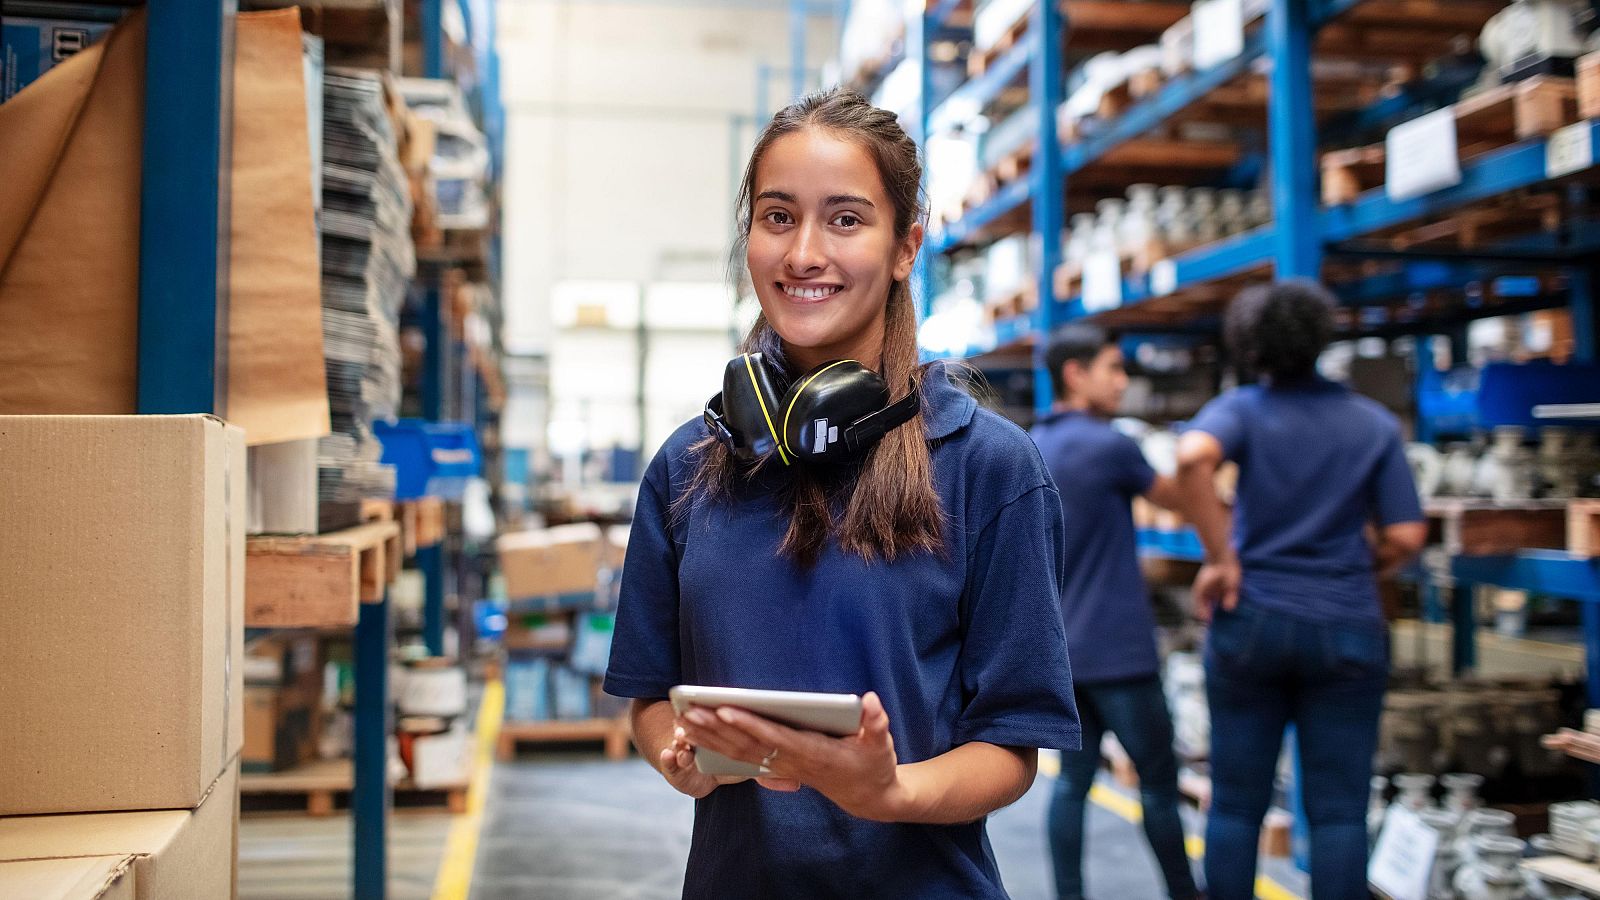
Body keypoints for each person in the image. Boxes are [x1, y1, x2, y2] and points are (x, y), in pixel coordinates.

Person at [602, 87, 1081, 898]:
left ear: (906, 247)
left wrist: (889, 793)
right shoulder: (687, 468)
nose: (803, 254)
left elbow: (1010, 748)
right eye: (778, 216)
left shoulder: (989, 470)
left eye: (847, 220)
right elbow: (651, 694)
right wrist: (674, 751)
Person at [1175, 280, 1427, 900]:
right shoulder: (1371, 423)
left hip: (1251, 617)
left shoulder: (1243, 411)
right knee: (1339, 809)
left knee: (1236, 803)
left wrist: (1222, 557)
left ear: (1250, 344)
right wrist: (1365, 564)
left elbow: (1190, 459)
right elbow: (1408, 534)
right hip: (1346, 625)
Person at [1031, 324, 1202, 900]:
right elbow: (1175, 499)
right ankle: (1184, 892)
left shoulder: (1030, 447)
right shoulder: (1111, 446)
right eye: (1113, 369)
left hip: (1063, 651)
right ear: (1075, 375)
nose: (1123, 382)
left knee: (1072, 783)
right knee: (1157, 784)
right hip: (1120, 650)